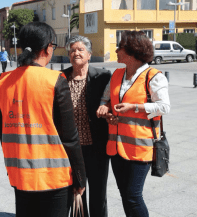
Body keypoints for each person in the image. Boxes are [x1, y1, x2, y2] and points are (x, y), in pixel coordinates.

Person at [0, 22, 86, 217]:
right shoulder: (54, 80)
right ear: (46, 49)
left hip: (19, 174)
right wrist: (80, 178)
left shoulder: (2, 82)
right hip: (54, 177)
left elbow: (3, 131)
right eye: (53, 46)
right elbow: (69, 137)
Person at [96, 31, 170, 217]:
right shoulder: (117, 74)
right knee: (125, 196)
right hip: (116, 146)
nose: (116, 50)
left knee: (133, 196)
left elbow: (164, 107)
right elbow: (105, 100)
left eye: (120, 47)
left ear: (131, 51)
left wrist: (134, 107)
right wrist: (105, 110)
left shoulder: (154, 76)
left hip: (140, 147)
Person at [61, 35, 111, 217]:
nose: (76, 53)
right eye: (72, 50)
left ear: (89, 54)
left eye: (81, 49)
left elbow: (112, 100)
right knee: (76, 192)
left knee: (98, 194)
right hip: (71, 149)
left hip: (97, 146)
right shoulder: (61, 78)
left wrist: (107, 107)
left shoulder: (103, 77)